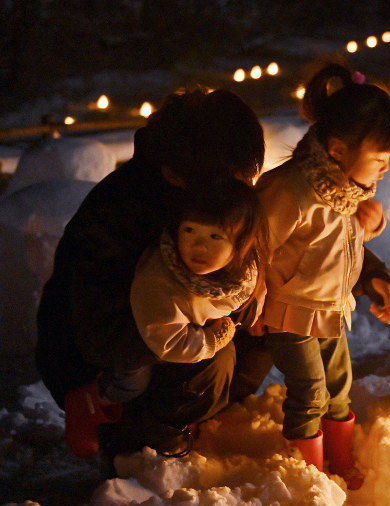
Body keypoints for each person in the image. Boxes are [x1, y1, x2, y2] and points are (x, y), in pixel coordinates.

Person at [36, 86, 267, 459]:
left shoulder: (206, 198)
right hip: (102, 350)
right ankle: (137, 446)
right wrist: (197, 333)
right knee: (210, 359)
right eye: (228, 182)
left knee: (262, 328)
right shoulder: (121, 214)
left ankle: (185, 417)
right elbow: (96, 327)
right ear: (175, 175)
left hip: (163, 326)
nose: (235, 193)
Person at [248, 61, 390, 490]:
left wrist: (376, 276)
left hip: (329, 310)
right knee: (310, 391)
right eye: (381, 157)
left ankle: (340, 459)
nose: (386, 168)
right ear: (337, 150)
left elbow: (338, 251)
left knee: (338, 387)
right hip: (288, 310)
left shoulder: (346, 191)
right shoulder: (290, 191)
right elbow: (256, 249)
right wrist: (252, 305)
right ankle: (310, 477)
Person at [64, 178, 263, 459]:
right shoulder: (160, 282)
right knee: (131, 384)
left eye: (215, 237)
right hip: (144, 343)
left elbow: (247, 296)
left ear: (241, 244)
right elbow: (167, 342)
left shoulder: (242, 272)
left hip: (189, 333)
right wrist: (212, 338)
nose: (199, 246)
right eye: (190, 231)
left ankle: (189, 419)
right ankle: (91, 400)